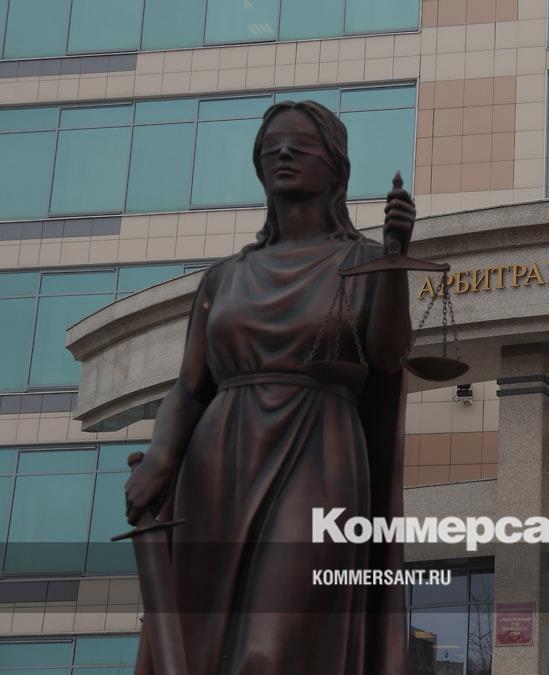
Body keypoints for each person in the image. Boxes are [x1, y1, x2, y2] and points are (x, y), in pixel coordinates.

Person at [123, 100, 414, 674]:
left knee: (271, 647)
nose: (283, 154)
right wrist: (160, 457)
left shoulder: (364, 262)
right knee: (207, 646)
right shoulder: (224, 277)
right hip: (219, 463)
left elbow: (386, 358)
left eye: (300, 146)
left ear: (335, 166)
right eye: (270, 148)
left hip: (319, 453)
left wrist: (396, 258)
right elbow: (189, 388)